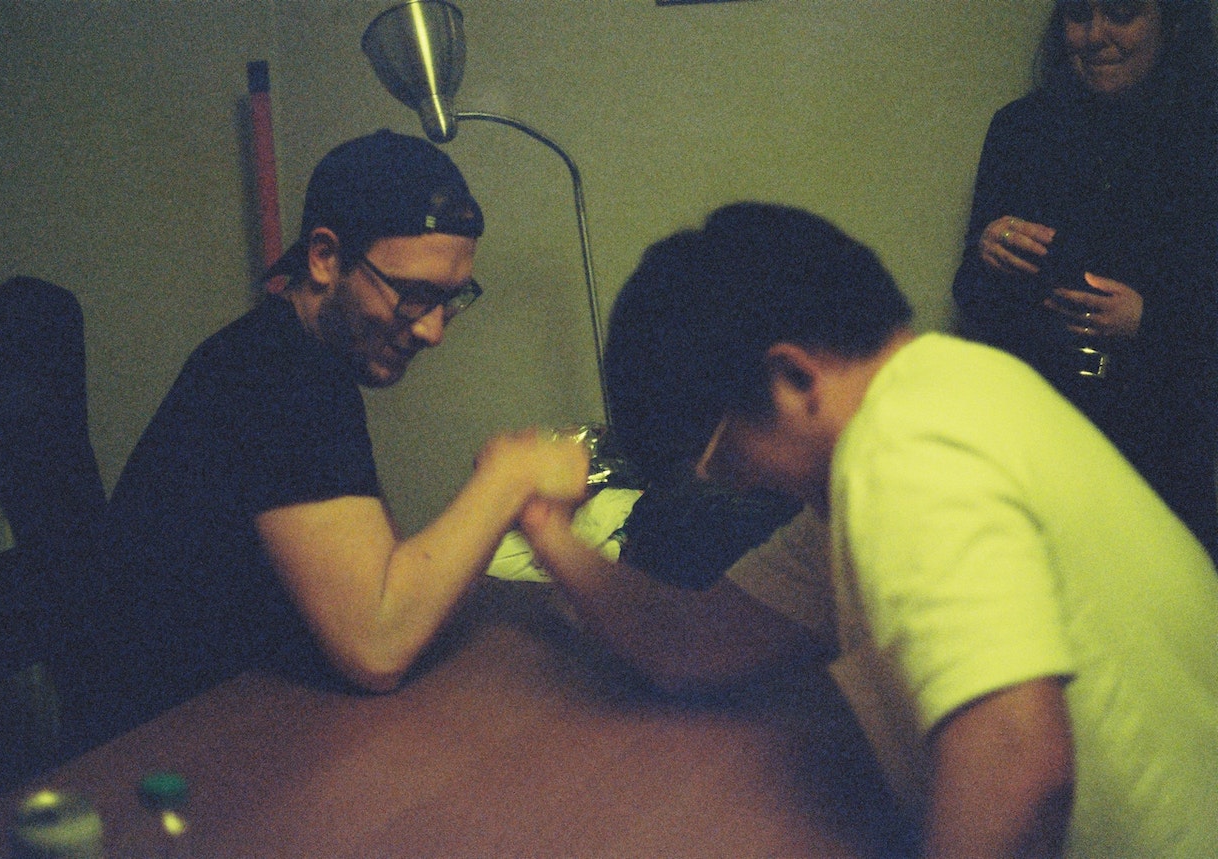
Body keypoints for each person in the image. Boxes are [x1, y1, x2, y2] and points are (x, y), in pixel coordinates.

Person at [519, 202, 1218, 857]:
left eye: (717, 456)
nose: (732, 482)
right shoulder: (937, 400)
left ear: (792, 377)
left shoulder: (899, 448)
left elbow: (1016, 764)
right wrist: (549, 532)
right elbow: (693, 641)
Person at [84, 130, 588, 744]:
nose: (433, 331)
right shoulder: (270, 376)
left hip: (257, 717)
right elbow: (377, 645)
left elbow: (378, 578)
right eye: (414, 295)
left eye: (451, 300)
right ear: (325, 256)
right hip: (157, 752)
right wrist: (507, 477)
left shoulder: (304, 360)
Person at [952, 0, 1218, 557]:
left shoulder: (1204, 133)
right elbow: (971, 300)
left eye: (1122, 13)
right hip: (1037, 422)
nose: (1095, 36)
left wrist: (1151, 321)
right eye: (1078, 14)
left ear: (1169, 23)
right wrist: (988, 252)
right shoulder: (1021, 129)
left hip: (1166, 432)